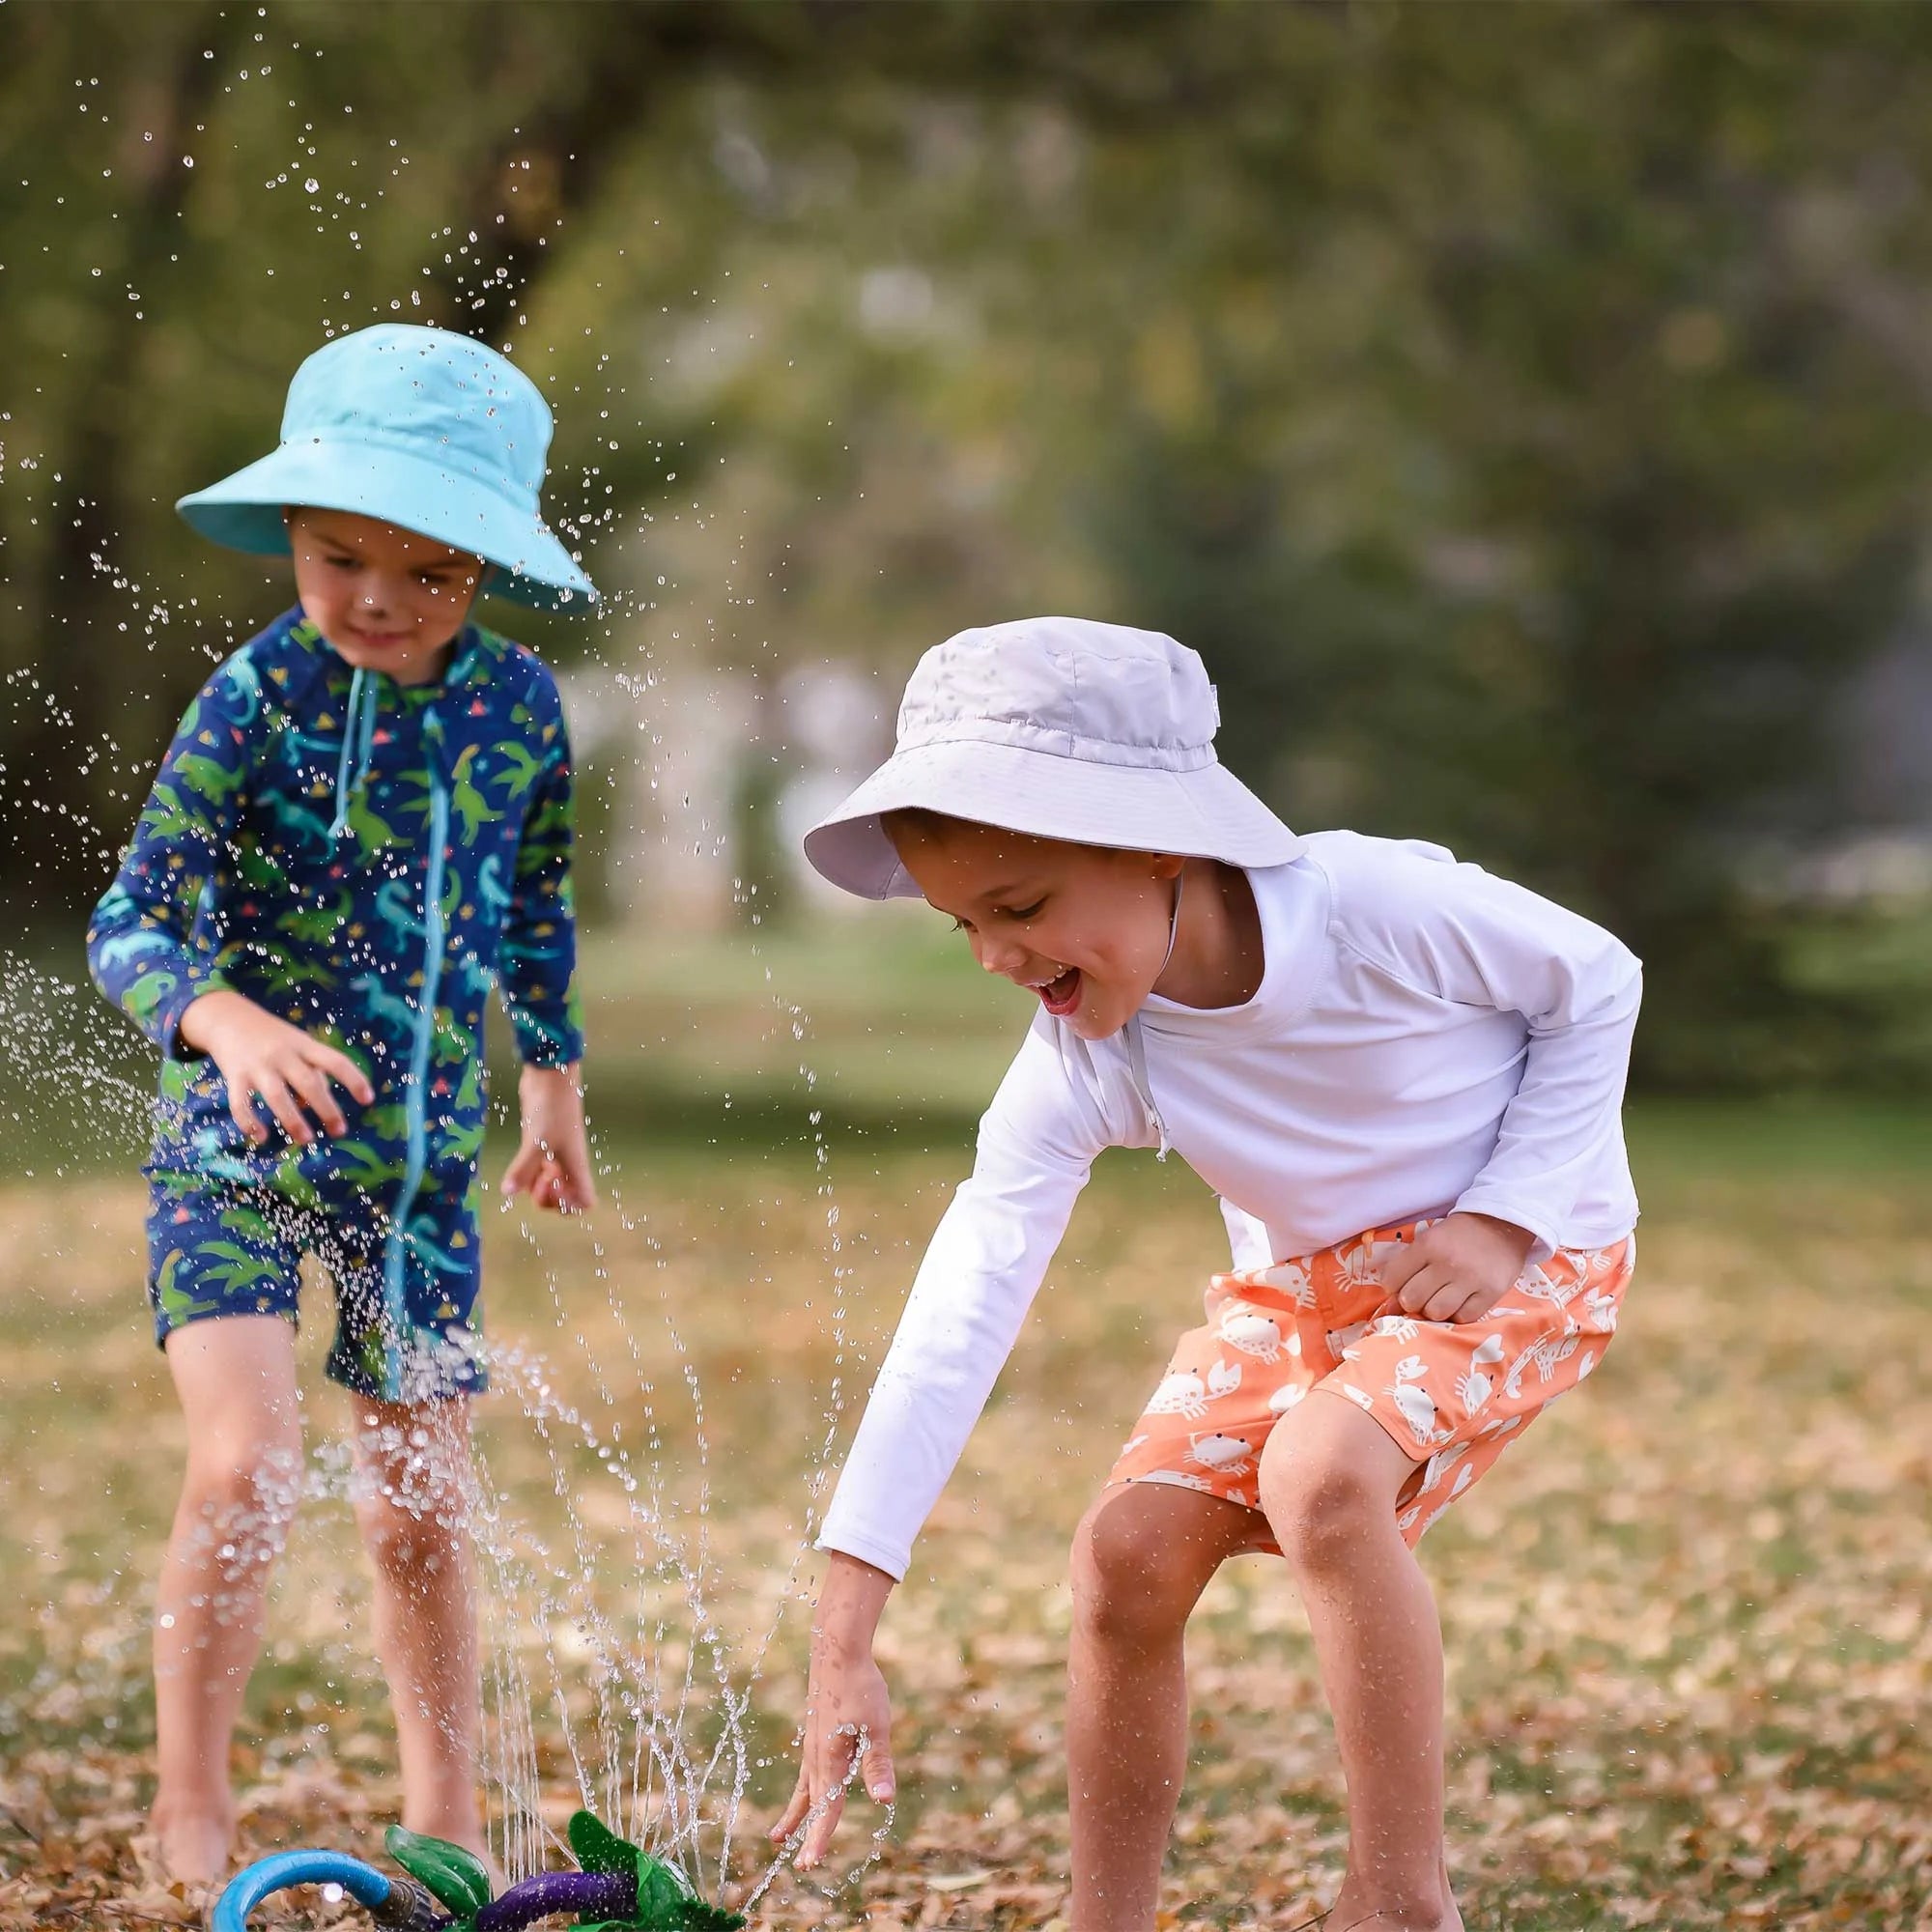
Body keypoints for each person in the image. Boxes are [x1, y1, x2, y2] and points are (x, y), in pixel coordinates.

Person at [774, 617, 1641, 1932]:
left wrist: (1503, 1220)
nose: (998, 959)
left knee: (1319, 1476)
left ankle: (1400, 1902)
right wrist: (846, 1630)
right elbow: (967, 1296)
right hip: (1306, 1290)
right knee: (1124, 1557)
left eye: (1021, 909)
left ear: (1162, 840)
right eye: (965, 924)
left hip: (1534, 1249)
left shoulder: (1374, 910)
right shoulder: (1089, 1055)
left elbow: (1596, 979)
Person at [87, 324, 599, 1885]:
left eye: (428, 573)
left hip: (421, 1176)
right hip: (232, 1152)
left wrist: (554, 1084)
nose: (376, 598)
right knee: (246, 1464)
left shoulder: (518, 709)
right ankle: (194, 1797)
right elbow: (133, 921)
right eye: (338, 556)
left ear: (487, 572)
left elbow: (535, 908)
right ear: (293, 537)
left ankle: (441, 1822)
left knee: (420, 1510)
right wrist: (222, 1021)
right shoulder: (257, 693)